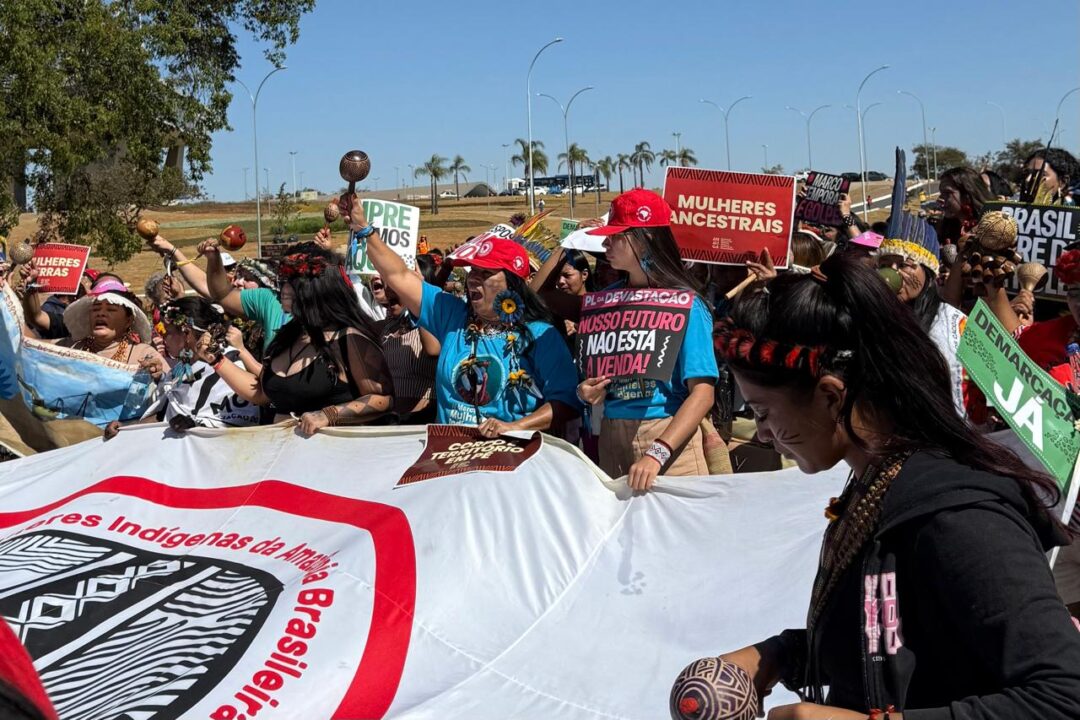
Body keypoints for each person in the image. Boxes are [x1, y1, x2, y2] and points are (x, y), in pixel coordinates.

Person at [712, 252, 1080, 719]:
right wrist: (777, 656)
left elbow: (1063, 697)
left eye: (763, 413)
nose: (761, 434)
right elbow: (890, 641)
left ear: (830, 395)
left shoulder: (959, 518)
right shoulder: (875, 483)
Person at [352, 193, 580, 435]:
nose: (472, 279)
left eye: (485, 273)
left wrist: (513, 427)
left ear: (512, 284)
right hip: (449, 455)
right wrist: (364, 229)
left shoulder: (540, 335)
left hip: (513, 457)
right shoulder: (452, 314)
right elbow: (398, 275)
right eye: (473, 271)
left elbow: (567, 401)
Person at [577, 189, 725, 488]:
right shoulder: (603, 301)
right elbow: (592, 380)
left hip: (669, 439)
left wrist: (657, 452)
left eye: (616, 235)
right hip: (611, 433)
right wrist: (586, 392)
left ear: (644, 239)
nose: (606, 242)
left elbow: (703, 393)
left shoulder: (687, 304)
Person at [203, 242, 394, 435]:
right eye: (285, 281)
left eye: (293, 282)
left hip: (335, 457)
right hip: (283, 455)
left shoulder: (348, 339)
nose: (284, 289)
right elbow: (261, 394)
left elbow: (383, 399)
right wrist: (217, 360)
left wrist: (329, 415)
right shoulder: (286, 337)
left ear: (317, 288)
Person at [104, 297, 265, 436]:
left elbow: (240, 426)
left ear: (186, 333)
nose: (163, 337)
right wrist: (125, 428)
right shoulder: (181, 369)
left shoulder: (230, 364)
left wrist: (195, 427)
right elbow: (164, 416)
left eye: (167, 331)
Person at [875, 231, 968, 416]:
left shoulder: (949, 324)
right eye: (885, 265)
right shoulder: (872, 315)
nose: (892, 273)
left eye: (904, 265)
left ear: (929, 274)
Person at [372, 256, 440, 422]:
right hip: (392, 420)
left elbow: (433, 350)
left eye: (397, 286)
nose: (388, 292)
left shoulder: (432, 323)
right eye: (387, 285)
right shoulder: (386, 328)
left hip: (421, 419)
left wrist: (420, 294)